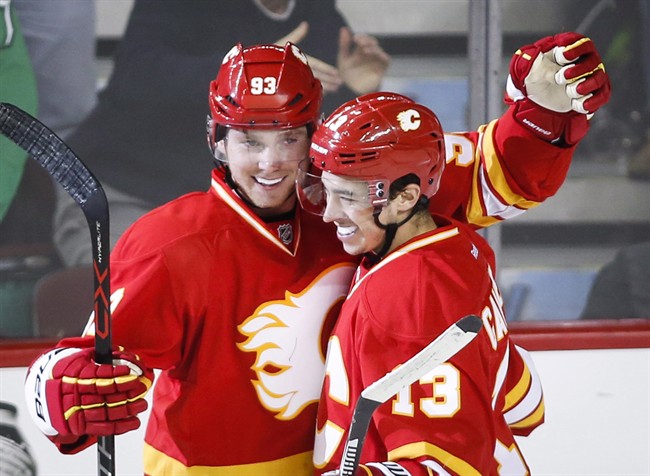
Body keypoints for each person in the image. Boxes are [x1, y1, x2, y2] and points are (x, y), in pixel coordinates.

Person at [24, 33, 610, 475]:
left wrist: (539, 120)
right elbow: (90, 363)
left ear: (316, 130)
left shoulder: (362, 187)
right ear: (216, 139)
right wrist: (59, 390)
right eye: (250, 140)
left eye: (289, 136)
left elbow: (491, 171)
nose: (272, 162)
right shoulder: (169, 245)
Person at [299, 92, 544, 475]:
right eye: (327, 191)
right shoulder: (460, 247)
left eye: (346, 197)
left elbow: (448, 468)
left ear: (405, 198)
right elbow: (521, 398)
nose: (329, 213)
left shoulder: (406, 300)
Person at [53, 0, 391, 267]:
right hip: (125, 193)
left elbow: (309, 129)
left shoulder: (319, 13)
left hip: (231, 210)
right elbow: (135, 75)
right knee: (147, 291)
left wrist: (354, 89)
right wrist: (241, 69)